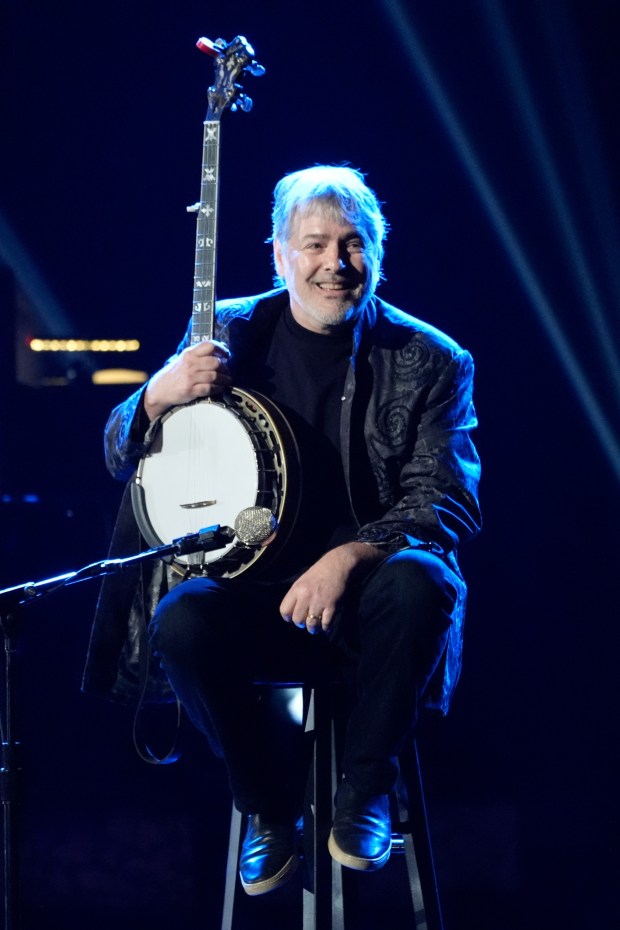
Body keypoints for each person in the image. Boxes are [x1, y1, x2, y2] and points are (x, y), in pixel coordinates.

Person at [82, 164, 481, 896]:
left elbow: (447, 499)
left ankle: (364, 795)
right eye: (316, 244)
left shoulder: (432, 359)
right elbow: (119, 454)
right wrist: (152, 398)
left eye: (354, 244)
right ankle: (267, 807)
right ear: (278, 254)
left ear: (378, 253)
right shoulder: (231, 329)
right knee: (182, 622)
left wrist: (349, 555)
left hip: (371, 608)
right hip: (254, 592)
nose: (336, 263)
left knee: (425, 579)